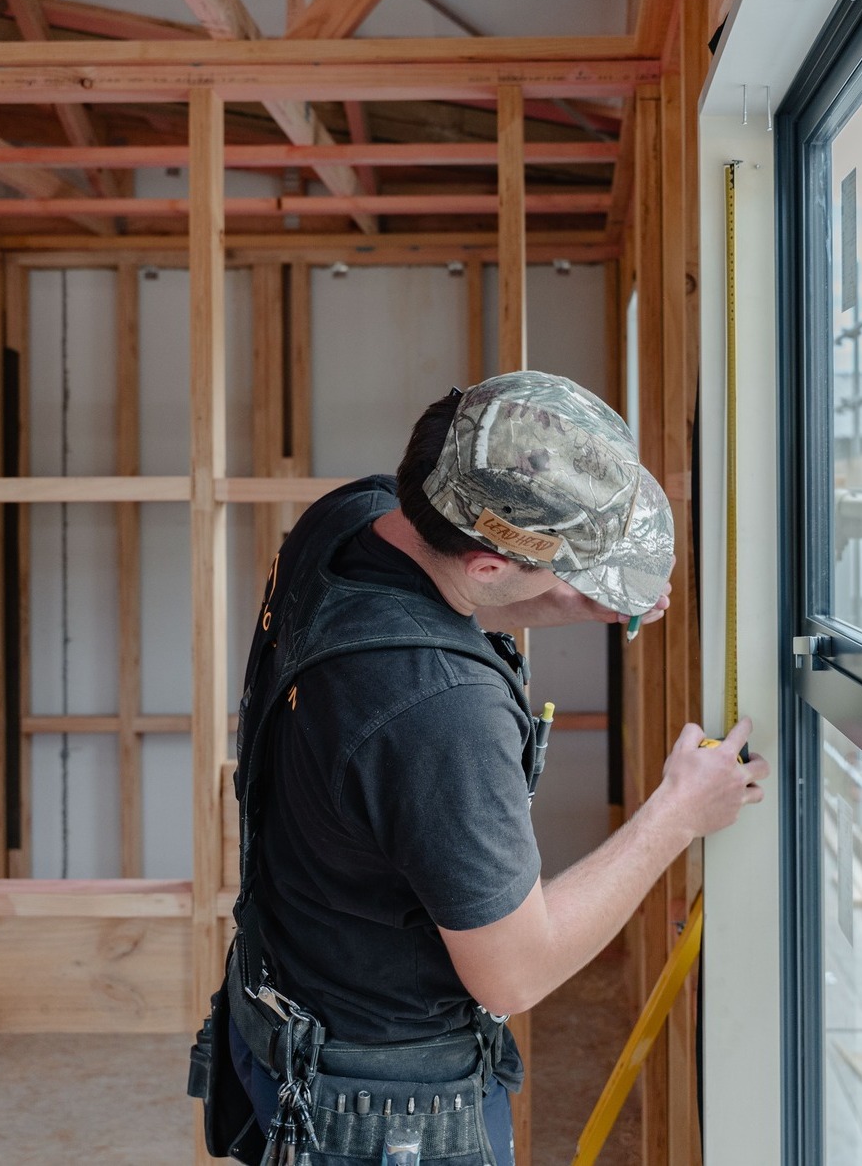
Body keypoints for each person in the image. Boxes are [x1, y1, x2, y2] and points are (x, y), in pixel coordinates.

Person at [202, 371, 767, 1165]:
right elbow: (514, 972)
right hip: (379, 1111)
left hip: (286, 1014)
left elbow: (445, 594)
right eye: (564, 567)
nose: (575, 586)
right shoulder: (440, 714)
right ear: (491, 564)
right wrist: (678, 811)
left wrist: (558, 597)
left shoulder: (354, 515)